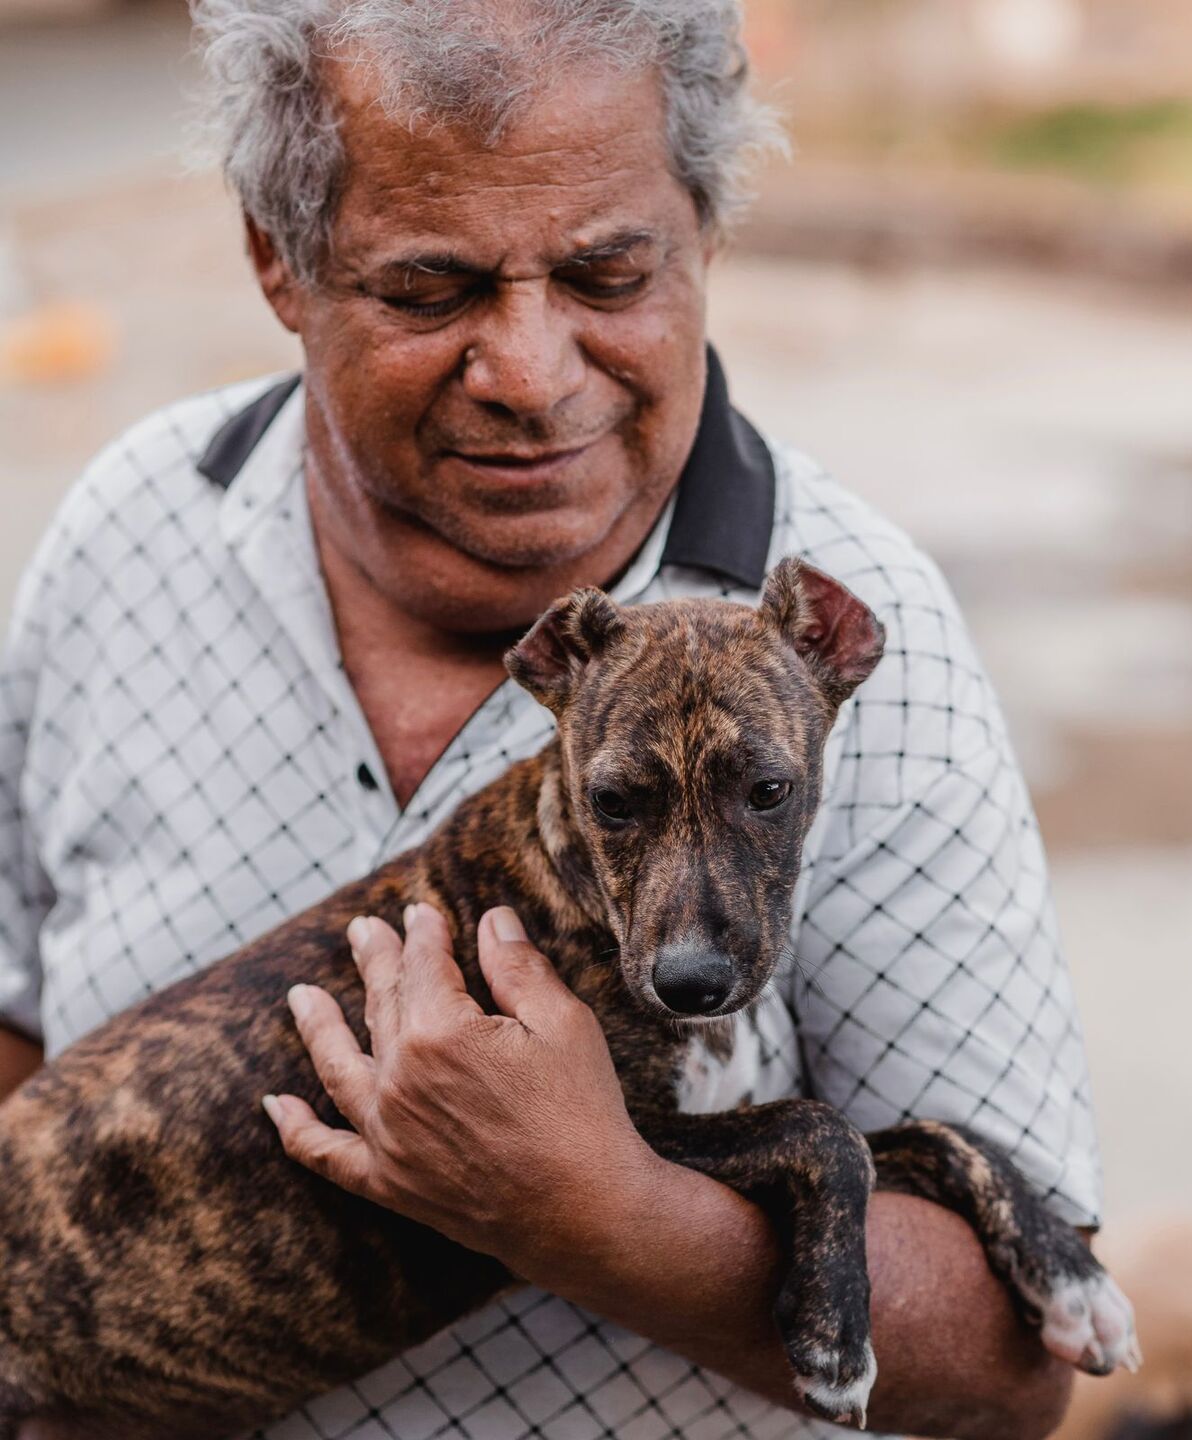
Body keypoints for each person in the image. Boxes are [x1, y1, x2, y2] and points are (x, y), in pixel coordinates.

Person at [0, 2, 1104, 1436]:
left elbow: (1019, 1375)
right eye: (431, 288)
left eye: (605, 271)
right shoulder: (133, 526)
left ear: (703, 230)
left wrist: (606, 1214)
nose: (530, 370)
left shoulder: (858, 647)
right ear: (281, 257)